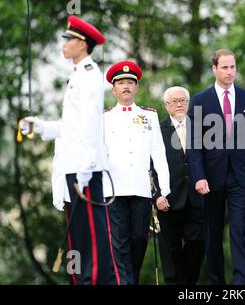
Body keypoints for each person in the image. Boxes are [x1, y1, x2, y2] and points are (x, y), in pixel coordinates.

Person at [20, 15, 119, 285]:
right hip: (74, 165)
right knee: (79, 233)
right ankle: (85, 281)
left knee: (92, 234)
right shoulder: (77, 75)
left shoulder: (88, 76)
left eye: (69, 40)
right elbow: (72, 126)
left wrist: (86, 169)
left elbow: (88, 124)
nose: (64, 44)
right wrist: (40, 126)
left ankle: (97, 281)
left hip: (84, 168)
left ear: (83, 44)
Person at [187, 49, 245, 285]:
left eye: (233, 67)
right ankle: (216, 282)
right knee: (212, 235)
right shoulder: (200, 100)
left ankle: (241, 284)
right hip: (211, 179)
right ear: (214, 69)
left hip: (241, 176)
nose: (230, 72)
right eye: (225, 67)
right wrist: (199, 177)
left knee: (239, 232)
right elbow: (194, 144)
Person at [103, 60, 170, 285]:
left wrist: (164, 189)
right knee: (118, 241)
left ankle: (131, 279)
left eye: (130, 82)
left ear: (137, 88)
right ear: (114, 89)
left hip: (141, 188)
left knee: (140, 237)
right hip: (113, 189)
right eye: (120, 83)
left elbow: (159, 153)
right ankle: (125, 282)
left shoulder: (149, 116)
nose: (125, 86)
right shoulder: (104, 118)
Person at [153, 86, 205, 285]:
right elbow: (150, 166)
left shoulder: (201, 128)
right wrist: (157, 195)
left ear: (188, 103)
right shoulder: (157, 130)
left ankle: (188, 284)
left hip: (197, 197)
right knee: (170, 249)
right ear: (166, 105)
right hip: (168, 198)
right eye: (174, 101)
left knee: (197, 243)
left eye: (183, 100)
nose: (179, 104)